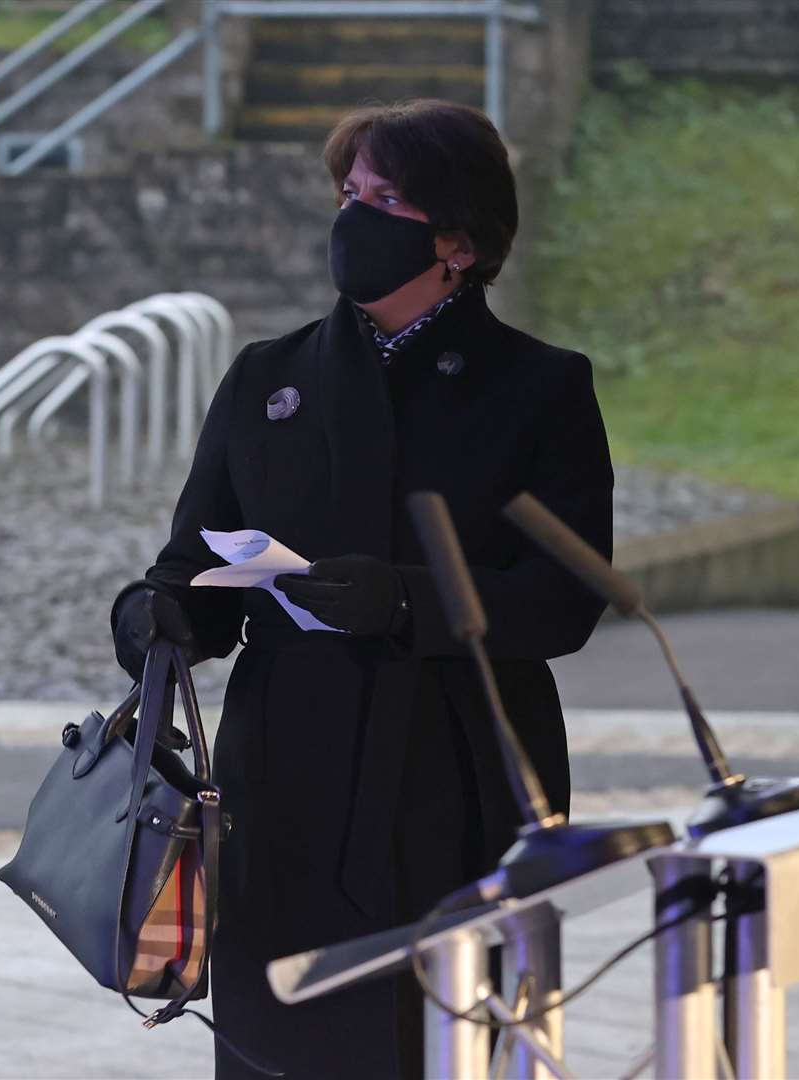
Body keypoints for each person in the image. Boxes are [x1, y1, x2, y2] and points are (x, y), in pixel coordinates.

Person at [110, 99, 613, 1078]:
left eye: (385, 198)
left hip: (462, 774)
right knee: (283, 1043)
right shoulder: (265, 377)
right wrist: (153, 614)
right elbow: (194, 571)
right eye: (348, 192)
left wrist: (403, 600)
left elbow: (564, 598)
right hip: (286, 779)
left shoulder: (538, 386)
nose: (353, 216)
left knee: (453, 1043)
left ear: (458, 241)